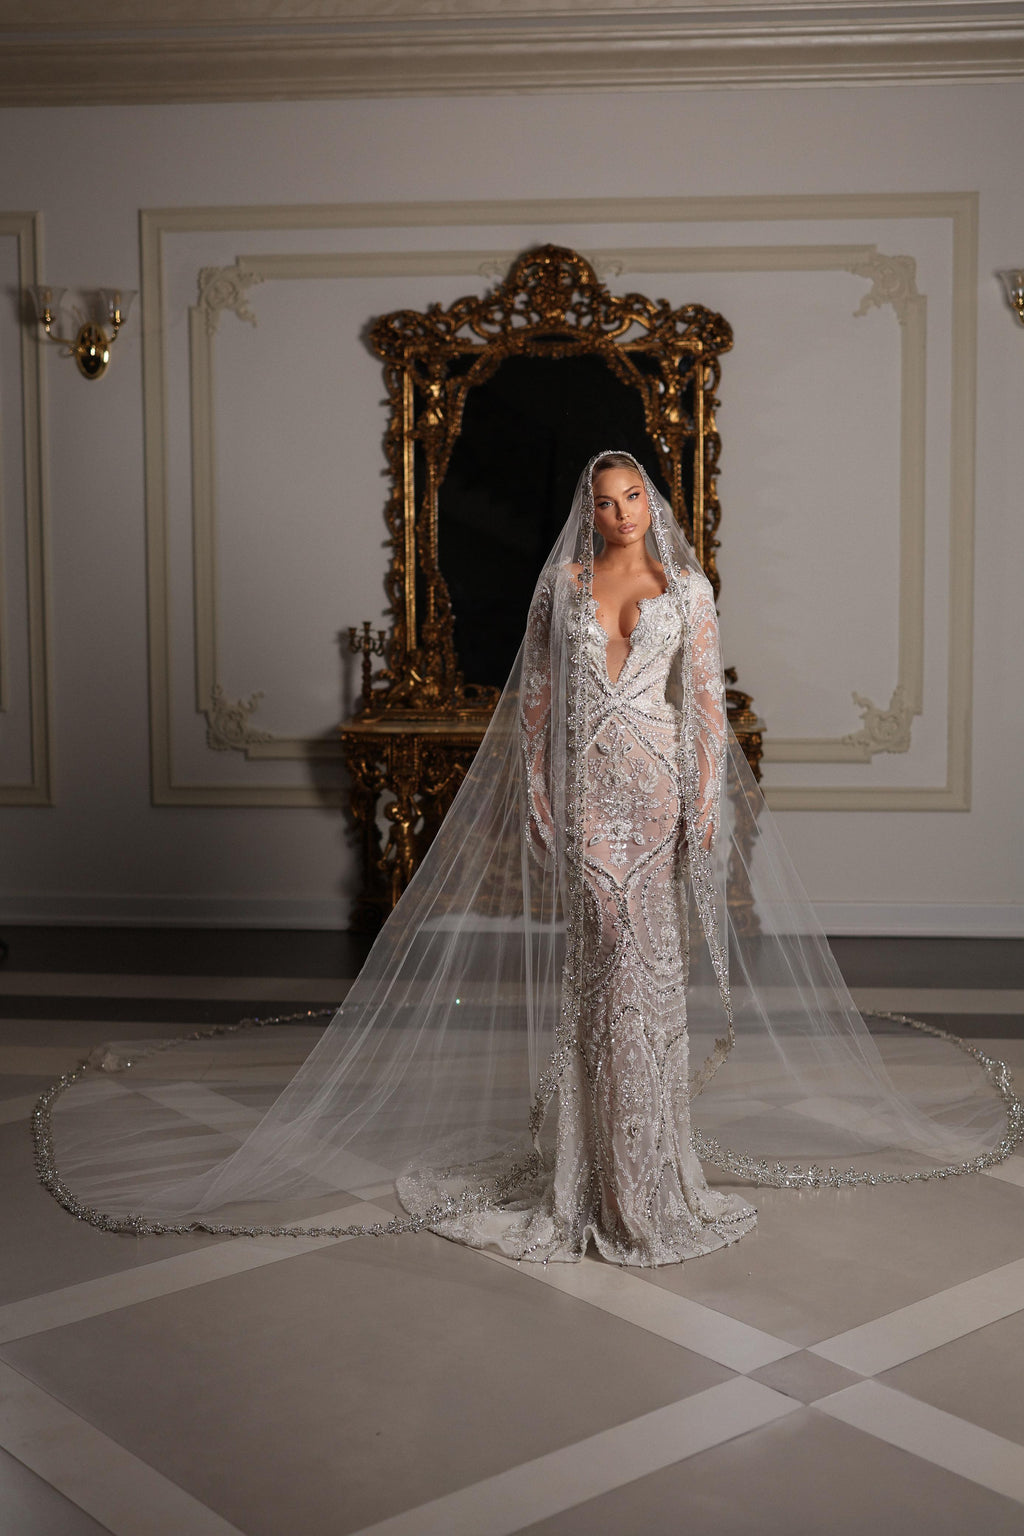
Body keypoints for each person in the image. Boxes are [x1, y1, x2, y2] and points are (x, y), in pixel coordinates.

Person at [37, 453, 1020, 1265]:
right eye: (603, 499)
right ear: (585, 511)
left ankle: (645, 1171)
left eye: (633, 495)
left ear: (653, 504)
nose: (620, 510)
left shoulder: (688, 588)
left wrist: (704, 806)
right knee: (607, 951)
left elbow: (707, 712)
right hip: (591, 793)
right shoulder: (562, 586)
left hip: (658, 790)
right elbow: (538, 710)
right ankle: (594, 1178)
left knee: (648, 972)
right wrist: (545, 803)